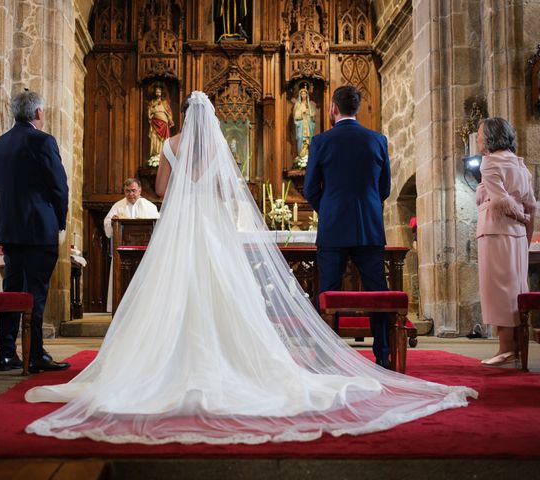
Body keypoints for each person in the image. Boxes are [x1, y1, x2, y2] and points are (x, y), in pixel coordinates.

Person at [24, 91, 476, 445]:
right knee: (224, 291)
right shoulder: (219, 146)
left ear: (182, 115)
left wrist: (183, 185)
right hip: (213, 232)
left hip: (181, 231)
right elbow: (226, 192)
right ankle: (244, 358)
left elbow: (161, 188)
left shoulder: (171, 143)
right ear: (211, 119)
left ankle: (162, 360)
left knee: (173, 291)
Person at [304, 85, 392, 368]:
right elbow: (385, 188)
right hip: (369, 227)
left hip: (333, 229)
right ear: (357, 108)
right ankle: (383, 354)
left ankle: (325, 356)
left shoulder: (320, 142)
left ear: (333, 108)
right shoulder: (378, 140)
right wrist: (367, 207)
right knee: (378, 292)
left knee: (328, 291)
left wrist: (328, 210)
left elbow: (309, 188)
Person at [0, 90, 70, 373]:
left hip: (10, 230)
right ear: (38, 113)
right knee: (35, 293)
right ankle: (35, 353)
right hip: (38, 229)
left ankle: (7, 353)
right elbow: (59, 186)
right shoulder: (42, 141)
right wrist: (58, 220)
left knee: (12, 291)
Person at [476, 117, 536, 366]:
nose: (478, 139)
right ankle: (516, 348)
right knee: (515, 289)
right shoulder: (519, 164)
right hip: (518, 235)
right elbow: (531, 203)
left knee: (498, 290)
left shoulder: (490, 163)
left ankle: (506, 348)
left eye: (479, 135)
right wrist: (526, 231)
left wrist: (520, 216)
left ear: (490, 137)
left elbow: (501, 201)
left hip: (496, 232)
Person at [103, 178, 159, 312]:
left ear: (140, 191)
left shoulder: (150, 207)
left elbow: (157, 227)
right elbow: (107, 225)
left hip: (145, 254)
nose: (130, 194)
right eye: (127, 191)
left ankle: (145, 309)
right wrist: (112, 221)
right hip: (122, 254)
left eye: (133, 191)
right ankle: (121, 308)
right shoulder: (117, 206)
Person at [147, 86, 174, 165]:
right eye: (156, 92)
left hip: (164, 123)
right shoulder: (152, 102)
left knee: (164, 140)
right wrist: (153, 107)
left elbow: (169, 112)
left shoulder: (164, 103)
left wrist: (170, 119)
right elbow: (149, 112)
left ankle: (163, 155)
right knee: (155, 138)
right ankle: (155, 155)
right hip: (155, 123)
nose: (157, 93)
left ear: (161, 93)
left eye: (159, 92)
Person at [292, 86, 317, 161]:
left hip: (308, 125)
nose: (303, 95)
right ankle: (301, 157)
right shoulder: (298, 104)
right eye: (302, 94)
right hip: (301, 126)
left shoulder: (309, 105)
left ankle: (308, 157)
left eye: (305, 94)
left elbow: (313, 114)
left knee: (309, 140)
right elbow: (295, 116)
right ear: (300, 95)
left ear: (307, 95)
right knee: (300, 138)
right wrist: (301, 113)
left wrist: (312, 115)